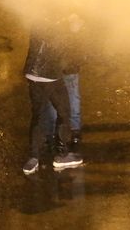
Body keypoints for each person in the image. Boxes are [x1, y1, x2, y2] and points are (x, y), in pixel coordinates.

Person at [23, 16, 84, 175]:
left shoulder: (38, 18)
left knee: (37, 115)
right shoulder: (59, 23)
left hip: (32, 74)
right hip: (49, 75)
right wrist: (72, 28)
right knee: (64, 111)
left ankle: (33, 158)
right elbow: (61, 47)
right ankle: (61, 155)